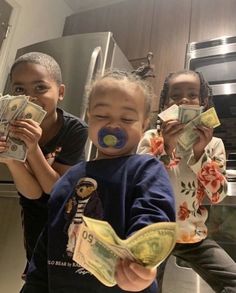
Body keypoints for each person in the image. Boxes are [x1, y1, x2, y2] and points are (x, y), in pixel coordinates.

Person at [20, 70, 176, 293]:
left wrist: (141, 266)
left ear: (143, 126)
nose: (113, 125)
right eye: (102, 115)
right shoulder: (71, 177)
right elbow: (49, 239)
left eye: (127, 119)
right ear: (89, 117)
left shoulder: (147, 170)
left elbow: (153, 218)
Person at [137, 69, 236, 292]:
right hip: (152, 231)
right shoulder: (151, 138)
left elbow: (218, 195)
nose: (184, 99)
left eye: (192, 95)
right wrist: (167, 147)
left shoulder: (214, 145)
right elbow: (139, 184)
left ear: (203, 103)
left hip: (192, 235)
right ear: (164, 105)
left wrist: (200, 152)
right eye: (175, 95)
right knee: (142, 287)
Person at [0, 52, 88, 278]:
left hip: (65, 209)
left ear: (60, 92)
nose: (30, 97)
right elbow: (32, 193)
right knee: (36, 266)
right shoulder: (9, 124)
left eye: (40, 88)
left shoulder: (75, 129)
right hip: (31, 209)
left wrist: (33, 148)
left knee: (61, 268)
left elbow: (55, 190)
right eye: (20, 90)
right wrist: (11, 160)